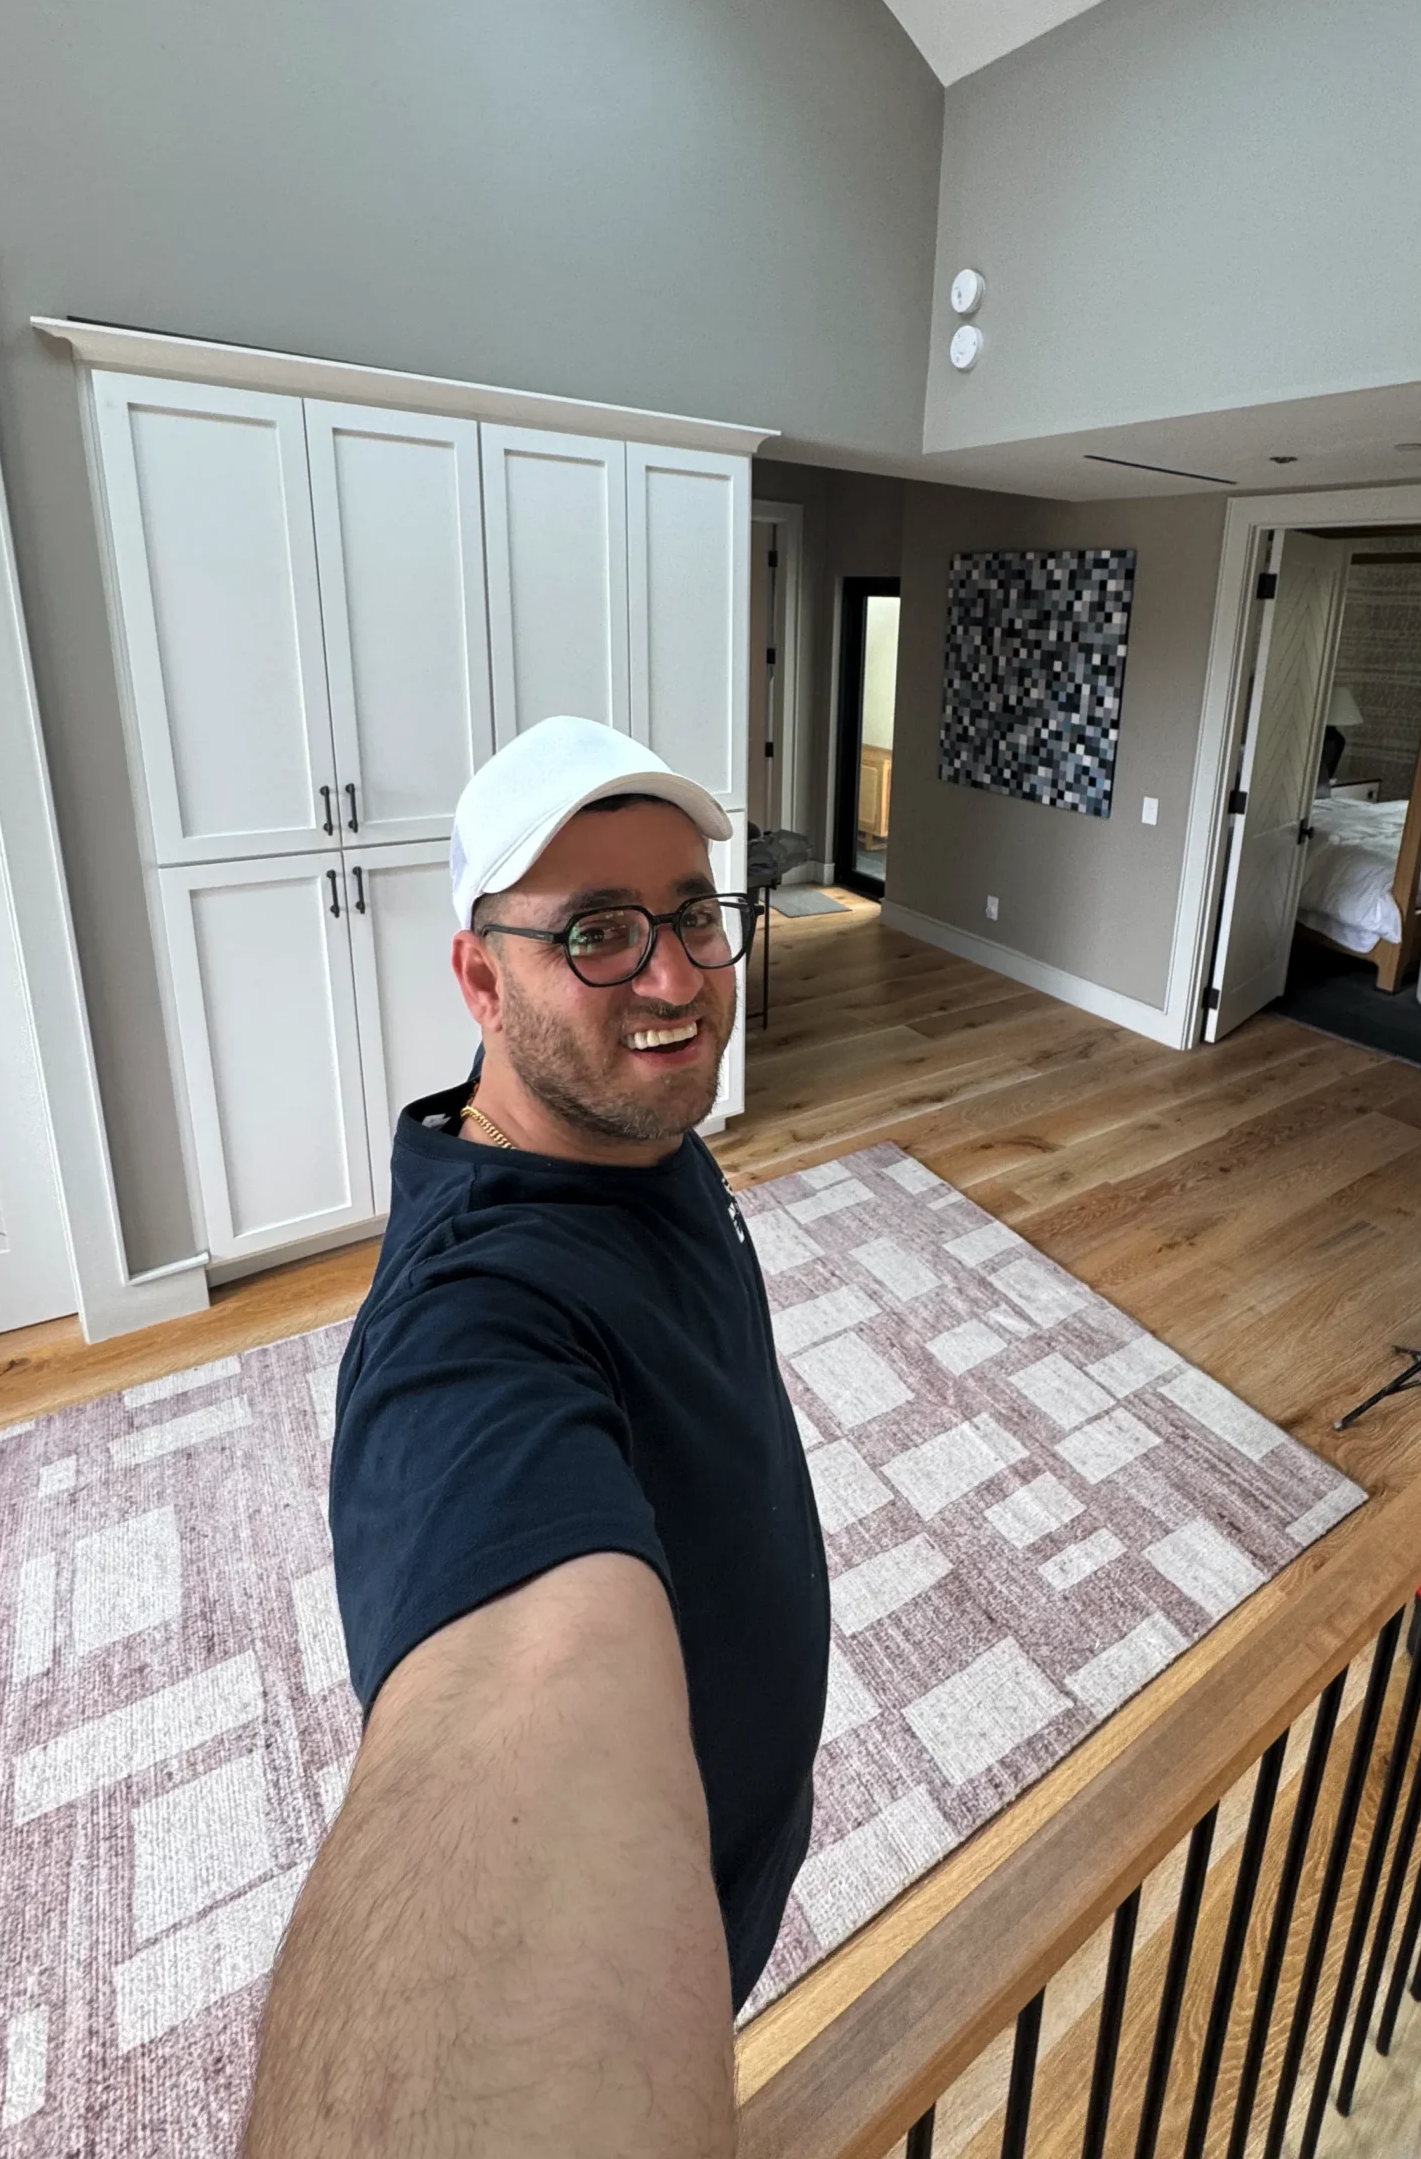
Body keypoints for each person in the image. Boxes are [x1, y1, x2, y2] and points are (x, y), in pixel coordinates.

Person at [242, 717, 829, 2159]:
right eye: (600, 935)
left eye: (696, 914)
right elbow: (515, 1692)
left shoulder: (640, 1138)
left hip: (721, 1882)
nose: (677, 978)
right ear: (479, 978)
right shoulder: (472, 1319)